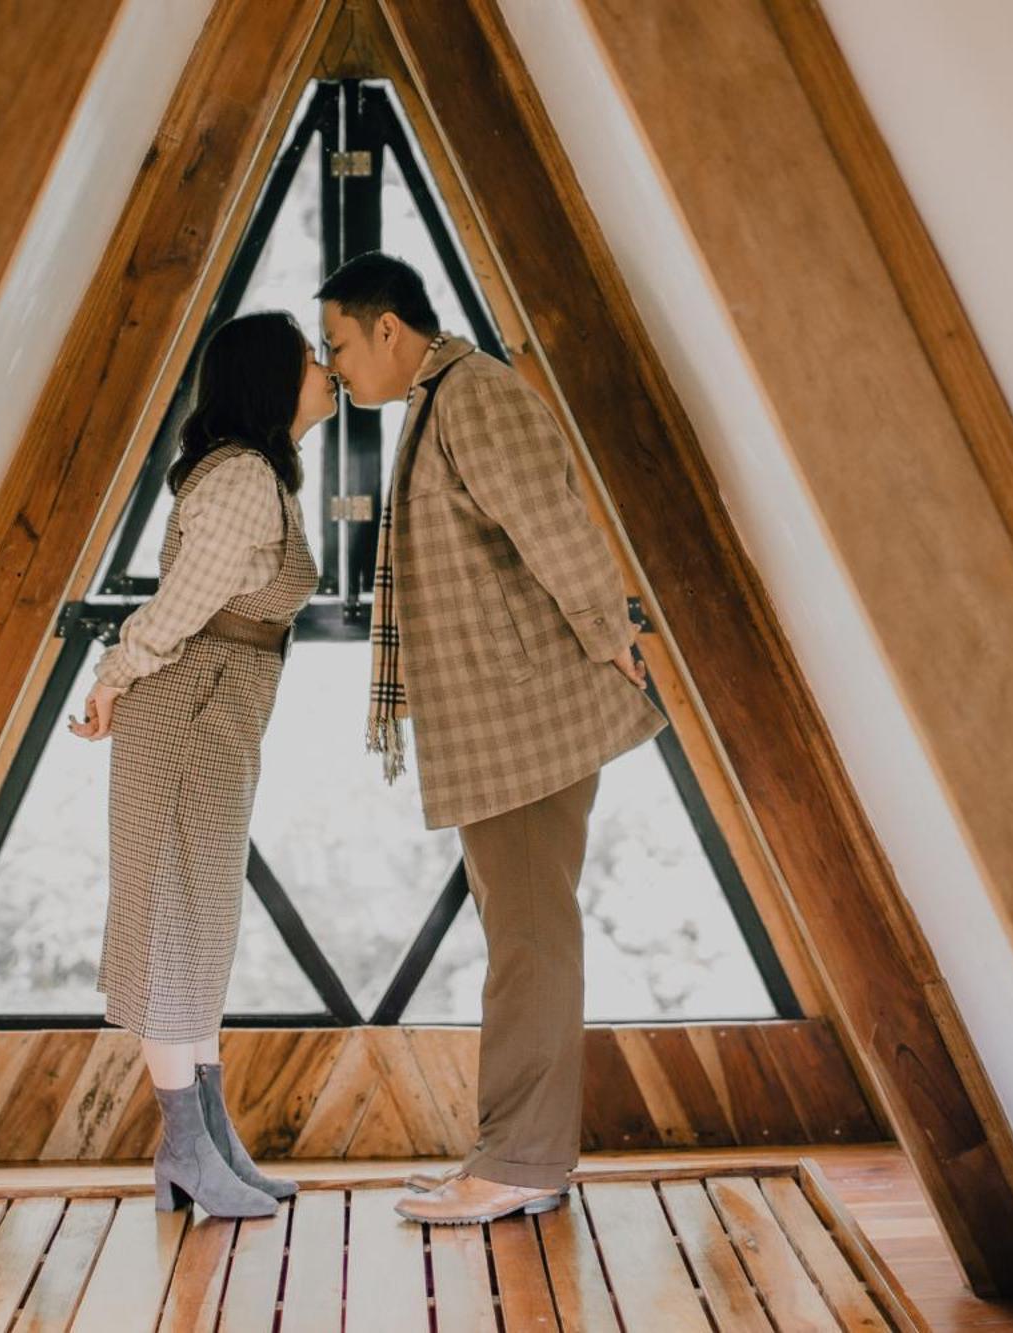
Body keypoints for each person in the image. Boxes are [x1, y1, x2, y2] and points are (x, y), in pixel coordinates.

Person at [317, 253, 667, 1225]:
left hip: (527, 715)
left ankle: (519, 1162)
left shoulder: (472, 396)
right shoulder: (442, 401)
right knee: (521, 934)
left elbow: (552, 525)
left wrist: (611, 632)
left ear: (388, 329)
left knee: (527, 939)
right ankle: (511, 1152)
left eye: (338, 343)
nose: (333, 365)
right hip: (500, 722)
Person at [68, 310, 335, 1218]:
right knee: (175, 922)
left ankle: (210, 1144)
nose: (327, 368)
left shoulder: (265, 476)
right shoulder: (242, 481)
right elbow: (178, 608)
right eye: (311, 359)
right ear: (271, 378)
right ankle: (185, 1150)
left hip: (216, 718)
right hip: (186, 715)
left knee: (200, 925)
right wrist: (112, 678)